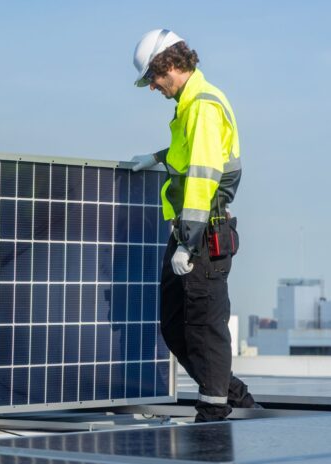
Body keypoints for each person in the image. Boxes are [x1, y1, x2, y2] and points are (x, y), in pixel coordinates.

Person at [130, 29, 259, 422]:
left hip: (202, 234)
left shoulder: (202, 105)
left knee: (205, 326)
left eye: (152, 78)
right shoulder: (191, 105)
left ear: (168, 65)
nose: (152, 87)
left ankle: (214, 411)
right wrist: (157, 157)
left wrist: (189, 242)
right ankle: (235, 397)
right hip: (189, 233)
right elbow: (192, 155)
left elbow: (203, 177)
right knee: (174, 325)